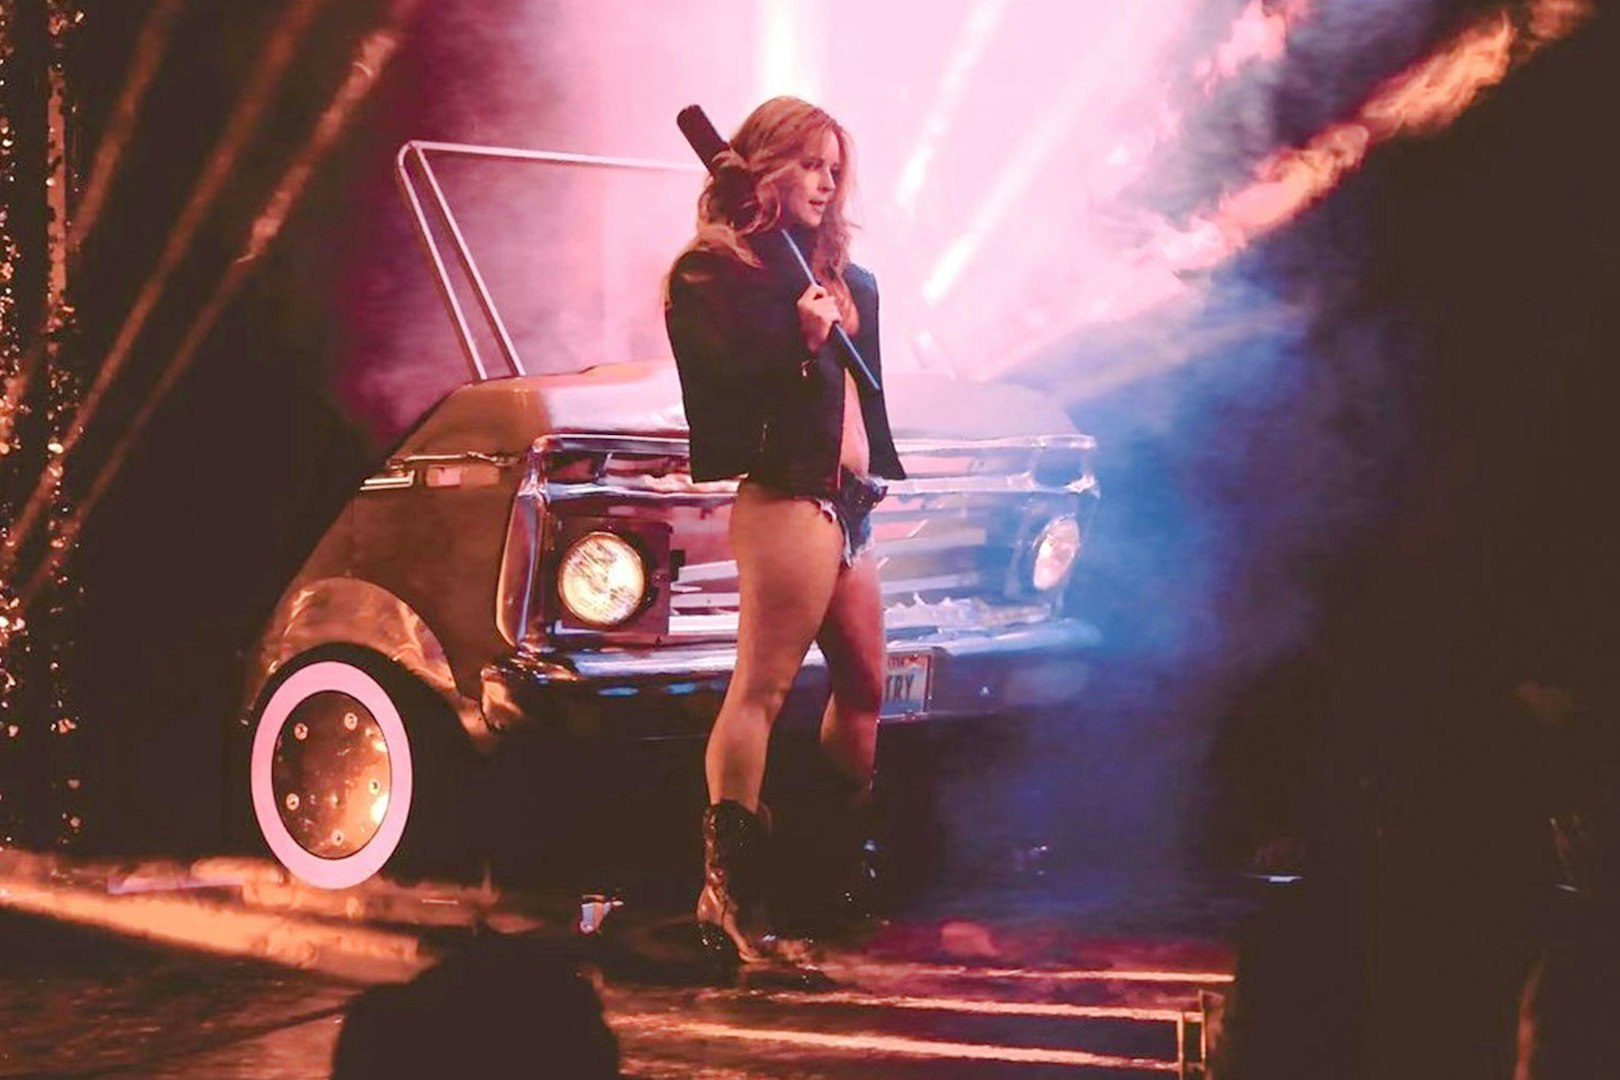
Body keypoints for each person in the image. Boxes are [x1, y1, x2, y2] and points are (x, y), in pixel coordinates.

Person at [664, 96, 905, 964]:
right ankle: (724, 892)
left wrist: (876, 475)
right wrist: (797, 341)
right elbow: (723, 400)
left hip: (851, 505)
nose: (826, 182)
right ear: (765, 166)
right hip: (785, 497)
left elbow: (864, 405)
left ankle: (831, 871)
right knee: (761, 688)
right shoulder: (713, 274)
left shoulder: (850, 281)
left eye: (835, 169)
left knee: (866, 687)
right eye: (809, 164)